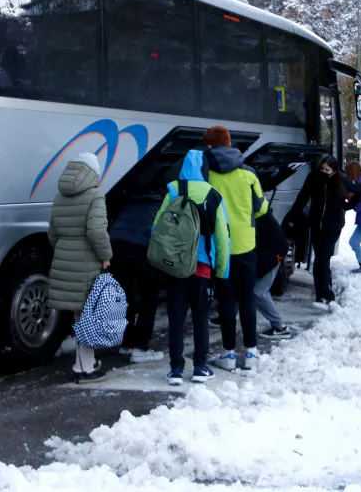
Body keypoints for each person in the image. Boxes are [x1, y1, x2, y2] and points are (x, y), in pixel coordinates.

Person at [152, 149, 230, 386]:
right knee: (200, 318)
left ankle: (176, 369)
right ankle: (199, 367)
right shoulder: (213, 195)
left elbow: (158, 228)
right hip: (202, 268)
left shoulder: (173, 190)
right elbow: (223, 238)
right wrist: (222, 271)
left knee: (176, 319)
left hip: (176, 267)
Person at [202, 126, 267, 371]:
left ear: (209, 147)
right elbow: (261, 208)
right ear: (229, 143)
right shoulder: (248, 173)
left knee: (226, 300)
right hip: (246, 244)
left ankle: (228, 355)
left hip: (220, 246)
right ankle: (251, 353)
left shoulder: (207, 174)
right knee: (247, 297)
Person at [47, 153, 113, 382]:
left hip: (64, 258)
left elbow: (52, 233)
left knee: (79, 315)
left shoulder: (59, 196)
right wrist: (105, 256)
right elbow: (96, 231)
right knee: (87, 315)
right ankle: (85, 368)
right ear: (93, 172)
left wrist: (64, 249)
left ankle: (83, 362)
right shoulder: (95, 195)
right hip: (86, 260)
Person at [286, 156, 361, 310]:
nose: (323, 172)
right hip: (316, 224)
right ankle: (321, 294)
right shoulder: (313, 178)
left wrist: (347, 206)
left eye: (327, 170)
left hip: (333, 225)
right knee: (322, 259)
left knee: (322, 258)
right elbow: (302, 198)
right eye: (322, 169)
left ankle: (326, 295)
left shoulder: (340, 180)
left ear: (334, 171)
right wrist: (292, 217)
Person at [108, 192, 165, 364]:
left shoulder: (130, 200)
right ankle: (141, 347)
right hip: (141, 249)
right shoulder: (161, 203)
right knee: (149, 297)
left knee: (126, 297)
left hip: (116, 247)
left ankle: (127, 342)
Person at [254, 207, 291, 337]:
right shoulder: (256, 209)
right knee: (244, 281)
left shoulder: (252, 216)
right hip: (271, 249)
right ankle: (225, 317)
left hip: (273, 251)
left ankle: (280, 326)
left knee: (258, 290)